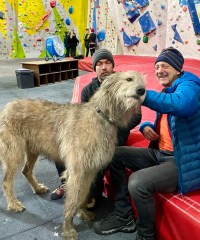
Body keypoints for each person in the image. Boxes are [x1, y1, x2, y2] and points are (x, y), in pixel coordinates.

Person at [93, 47, 200, 240]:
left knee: (138, 182)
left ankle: (146, 235)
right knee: (113, 153)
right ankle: (124, 214)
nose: (159, 70)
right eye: (157, 66)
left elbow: (181, 105)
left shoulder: (190, 86)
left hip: (184, 160)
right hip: (162, 153)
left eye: (165, 66)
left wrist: (141, 93)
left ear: (177, 69)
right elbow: (169, 119)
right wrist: (147, 127)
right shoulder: (170, 89)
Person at [51, 49, 142, 209]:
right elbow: (83, 115)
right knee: (60, 149)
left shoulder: (126, 84)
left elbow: (136, 116)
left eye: (107, 63)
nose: (104, 67)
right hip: (91, 133)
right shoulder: (88, 89)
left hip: (116, 134)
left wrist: (114, 124)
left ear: (113, 66)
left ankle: (91, 192)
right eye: (99, 64)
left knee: (94, 159)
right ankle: (66, 183)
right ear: (94, 68)